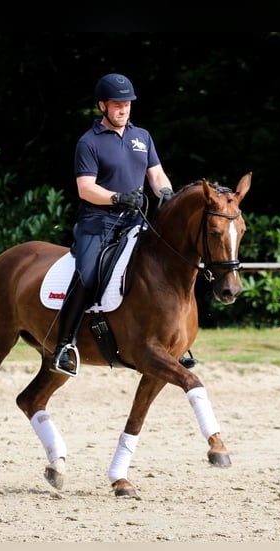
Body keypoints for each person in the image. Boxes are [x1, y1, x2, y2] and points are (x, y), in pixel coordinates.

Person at [51, 72, 174, 376]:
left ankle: (174, 341)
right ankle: (64, 345)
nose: (124, 109)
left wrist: (168, 195)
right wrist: (118, 198)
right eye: (117, 104)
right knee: (89, 273)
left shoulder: (142, 137)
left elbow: (156, 176)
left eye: (127, 104)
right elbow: (85, 188)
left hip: (135, 221)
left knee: (163, 270)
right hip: (98, 222)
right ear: (102, 106)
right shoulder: (88, 142)